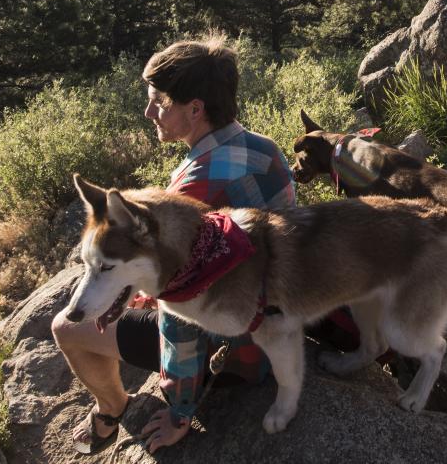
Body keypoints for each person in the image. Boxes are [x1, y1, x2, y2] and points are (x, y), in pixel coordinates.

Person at [52, 36, 296, 454]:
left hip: (234, 344)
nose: (149, 112)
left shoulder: (193, 189)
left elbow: (178, 307)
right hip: (282, 309)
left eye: (158, 103)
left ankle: (111, 408)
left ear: (195, 109)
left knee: (66, 328)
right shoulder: (264, 148)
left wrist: (181, 409)